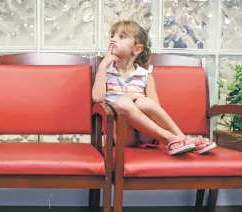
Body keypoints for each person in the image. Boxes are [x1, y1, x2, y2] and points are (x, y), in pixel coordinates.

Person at [92, 20, 216, 155]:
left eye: (121, 36)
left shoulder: (145, 75)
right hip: (122, 134)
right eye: (112, 35)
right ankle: (170, 138)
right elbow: (98, 98)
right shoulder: (106, 71)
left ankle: (181, 137)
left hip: (146, 134)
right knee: (122, 102)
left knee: (143, 101)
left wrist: (136, 99)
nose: (113, 40)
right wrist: (103, 65)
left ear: (137, 49)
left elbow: (154, 108)